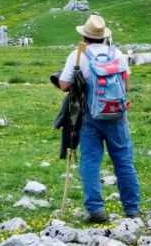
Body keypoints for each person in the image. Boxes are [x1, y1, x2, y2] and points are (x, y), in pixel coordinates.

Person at [58, 14, 141, 224]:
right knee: (124, 161)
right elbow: (126, 85)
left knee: (90, 161)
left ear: (85, 37)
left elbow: (64, 85)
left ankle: (96, 209)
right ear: (104, 37)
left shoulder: (78, 55)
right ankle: (132, 210)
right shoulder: (117, 54)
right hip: (117, 116)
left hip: (89, 116)